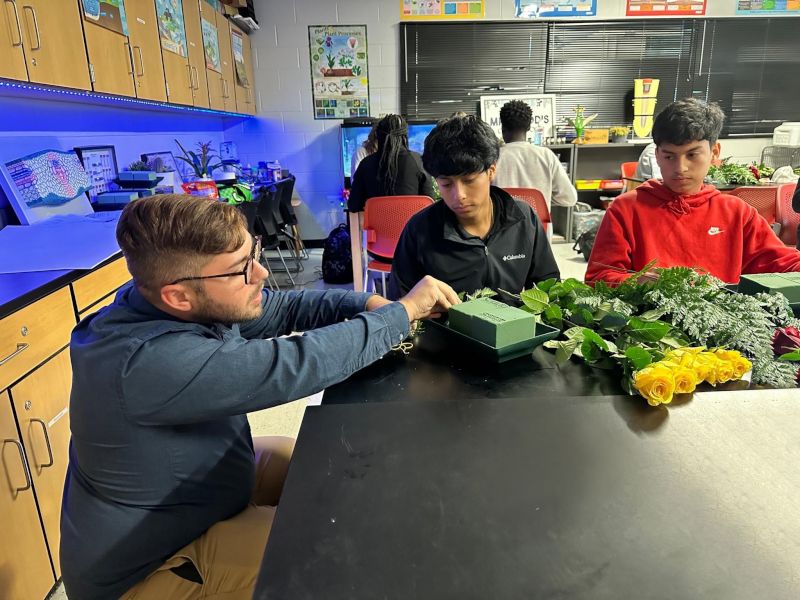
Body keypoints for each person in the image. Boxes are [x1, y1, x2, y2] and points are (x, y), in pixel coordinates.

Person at [60, 195, 459, 600]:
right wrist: (401, 313)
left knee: (325, 469)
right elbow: (293, 364)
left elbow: (283, 308)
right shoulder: (144, 363)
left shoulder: (176, 301)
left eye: (254, 253)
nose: (262, 273)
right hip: (150, 565)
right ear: (178, 295)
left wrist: (368, 303)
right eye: (240, 271)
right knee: (325, 552)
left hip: (194, 493)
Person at [585, 98, 800, 285]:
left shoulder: (737, 212)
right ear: (657, 155)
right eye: (669, 156)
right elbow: (599, 277)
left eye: (692, 155)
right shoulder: (626, 209)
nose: (680, 168)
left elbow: (779, 261)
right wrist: (637, 282)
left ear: (714, 152)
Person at [387, 115, 560, 300]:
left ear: (491, 171)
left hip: (512, 325)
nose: (459, 195)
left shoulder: (524, 219)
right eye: (446, 184)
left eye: (469, 181)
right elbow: (400, 304)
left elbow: (548, 286)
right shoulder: (420, 230)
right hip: (448, 327)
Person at [492, 100, 577, 210]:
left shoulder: (493, 158)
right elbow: (569, 199)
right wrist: (543, 197)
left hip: (504, 226)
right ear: (528, 128)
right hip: (540, 226)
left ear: (502, 128)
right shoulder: (546, 156)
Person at [347, 114, 434, 212]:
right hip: (411, 227)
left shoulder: (365, 164)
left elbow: (353, 206)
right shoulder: (419, 161)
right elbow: (429, 203)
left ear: (378, 136)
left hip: (378, 227)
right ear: (404, 136)